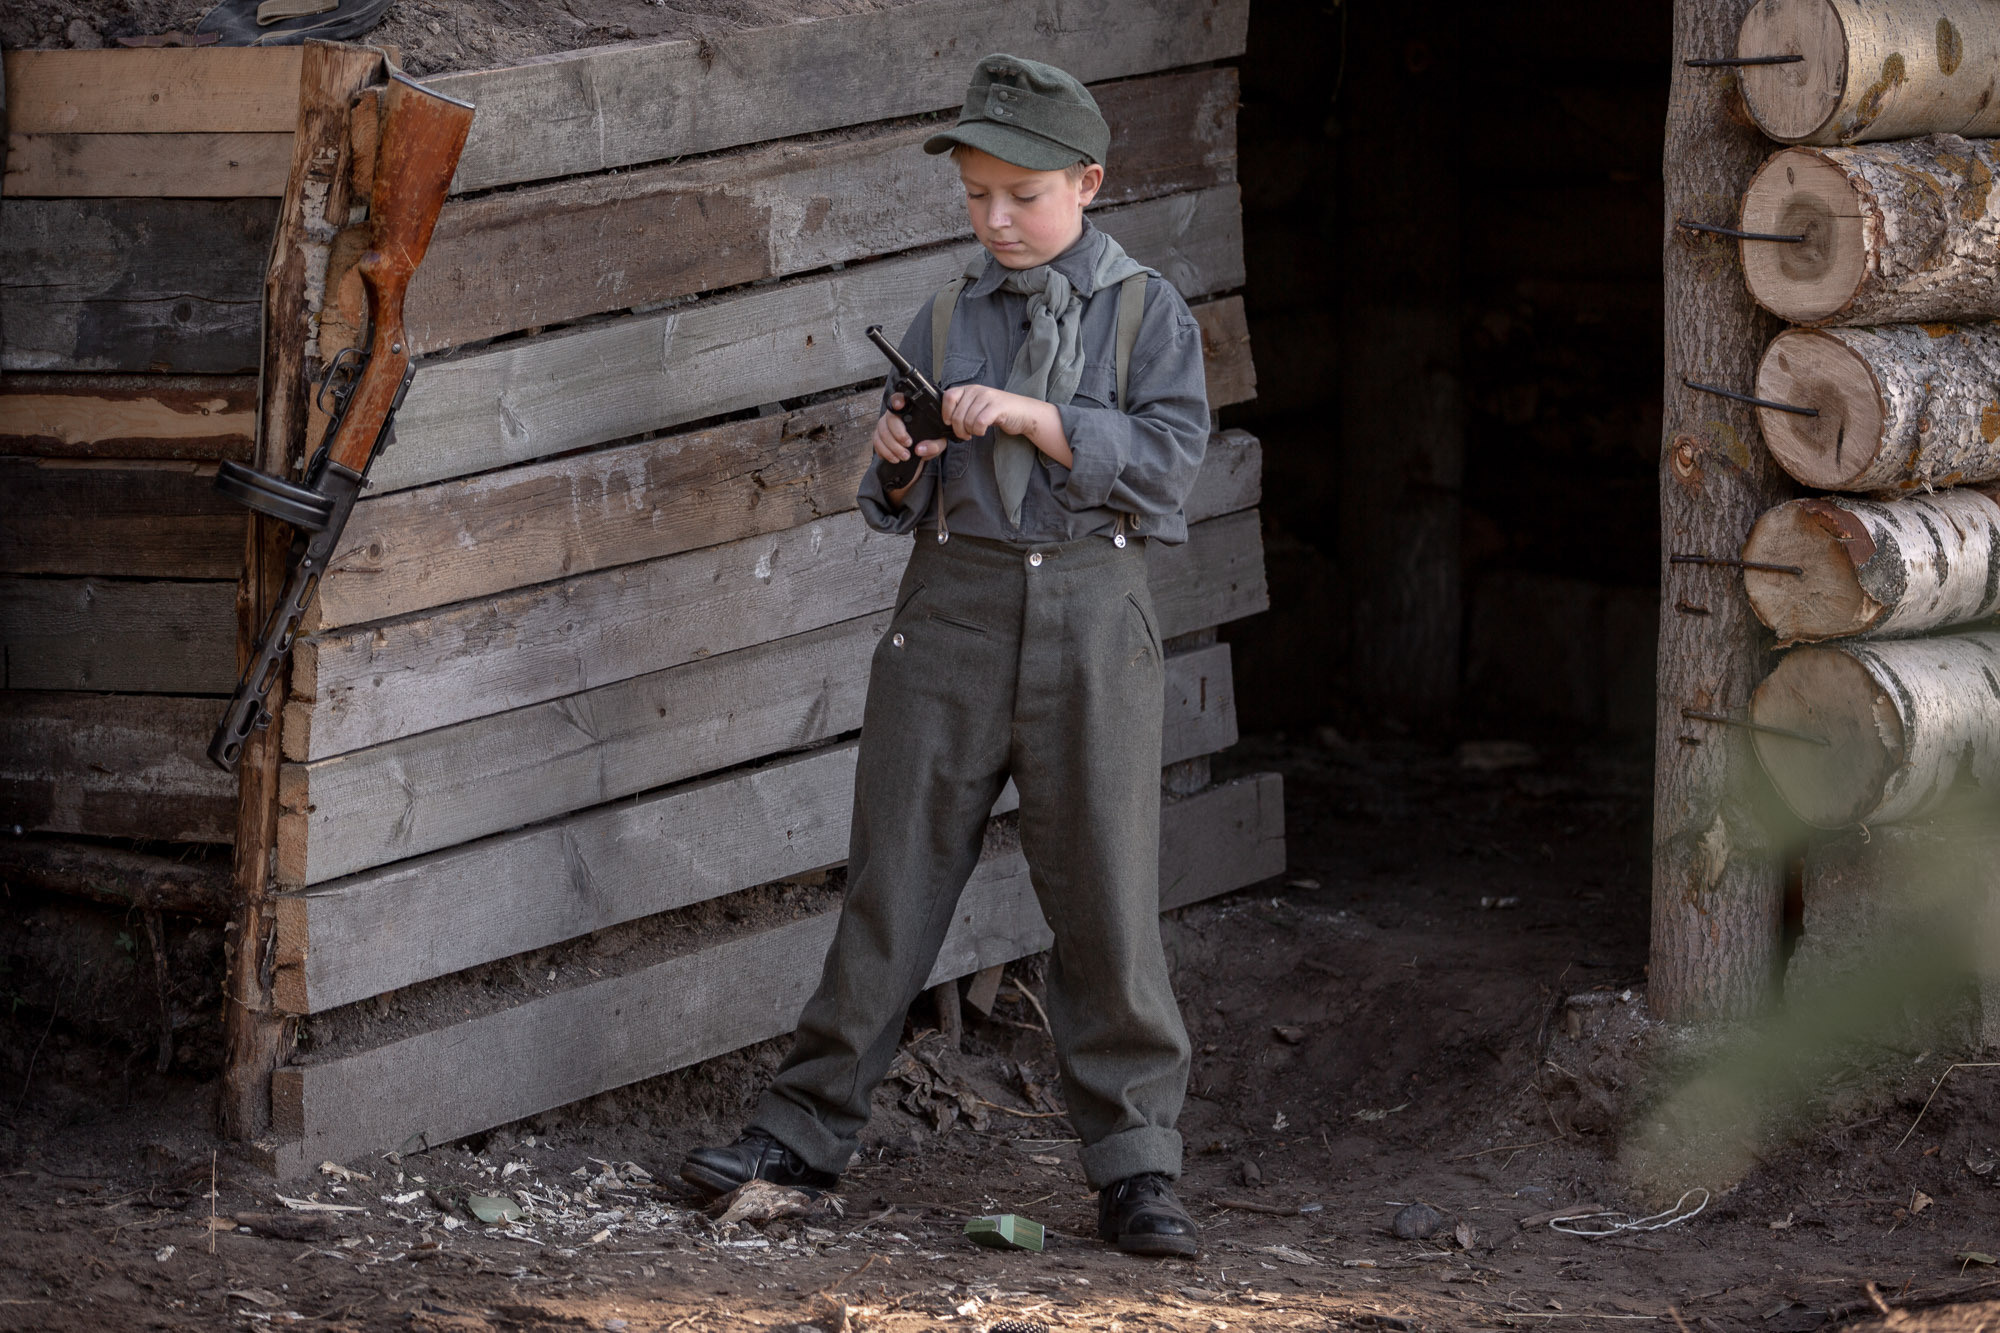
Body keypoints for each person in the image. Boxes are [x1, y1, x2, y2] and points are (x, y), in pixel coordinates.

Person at [679, 52, 1211, 1258]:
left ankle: (1136, 1167)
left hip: (1091, 613)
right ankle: (799, 1132)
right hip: (951, 610)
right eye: (975, 196)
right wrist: (895, 462)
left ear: (1087, 182)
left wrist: (1036, 417)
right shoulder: (944, 313)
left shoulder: (1148, 315)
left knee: (1106, 900)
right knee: (894, 881)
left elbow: (1169, 467)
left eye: (1022, 195)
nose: (996, 220)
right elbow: (892, 502)